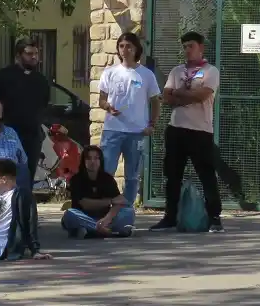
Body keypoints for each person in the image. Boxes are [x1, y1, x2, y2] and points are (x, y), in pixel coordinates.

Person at [152, 31, 227, 233]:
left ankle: (214, 218)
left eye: (191, 46)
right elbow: (166, 97)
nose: (187, 50)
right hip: (176, 129)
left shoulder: (211, 71)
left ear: (201, 47)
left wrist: (178, 94)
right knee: (172, 175)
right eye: (184, 46)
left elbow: (202, 95)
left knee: (206, 175)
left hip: (200, 131)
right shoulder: (176, 71)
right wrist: (183, 95)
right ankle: (170, 217)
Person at [98, 32, 161, 205]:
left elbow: (156, 101)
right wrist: (107, 107)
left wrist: (152, 124)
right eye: (121, 46)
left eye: (128, 46)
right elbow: (102, 99)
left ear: (136, 49)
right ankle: (103, 207)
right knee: (105, 172)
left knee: (132, 176)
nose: (124, 50)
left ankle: (126, 210)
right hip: (112, 131)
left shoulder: (146, 75)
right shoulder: (110, 72)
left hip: (137, 132)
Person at [0, 38, 50, 183]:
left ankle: (24, 205)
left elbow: (43, 106)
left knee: (27, 179)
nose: (34, 58)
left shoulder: (41, 81)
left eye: (36, 54)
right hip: (6, 137)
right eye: (29, 54)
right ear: (18, 55)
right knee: (7, 179)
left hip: (31, 138)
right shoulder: (0, 77)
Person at [64, 144, 136, 238]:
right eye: (89, 158)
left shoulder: (107, 179)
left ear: (100, 161)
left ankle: (91, 231)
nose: (93, 162)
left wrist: (108, 218)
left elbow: (119, 202)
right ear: (83, 161)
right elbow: (85, 203)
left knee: (129, 211)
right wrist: (110, 201)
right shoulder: (76, 180)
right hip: (84, 216)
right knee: (70, 214)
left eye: (96, 158)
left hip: (105, 218)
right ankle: (109, 231)